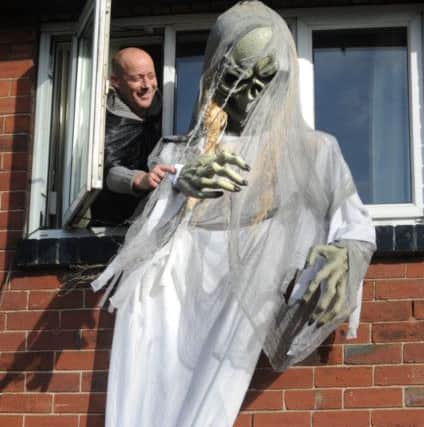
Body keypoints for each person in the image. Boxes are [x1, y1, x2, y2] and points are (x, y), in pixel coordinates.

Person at [92, 2, 375, 426]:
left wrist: (345, 256)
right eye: (239, 77)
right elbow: (141, 247)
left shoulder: (316, 153)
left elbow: (355, 226)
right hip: (165, 340)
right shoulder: (177, 153)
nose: (252, 93)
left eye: (265, 77)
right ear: (216, 73)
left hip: (238, 335)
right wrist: (177, 184)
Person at [90, 47, 175, 226]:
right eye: (137, 79)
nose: (147, 85)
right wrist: (139, 179)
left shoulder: (170, 107)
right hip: (116, 227)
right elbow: (107, 172)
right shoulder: (109, 122)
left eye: (151, 77)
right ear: (116, 81)